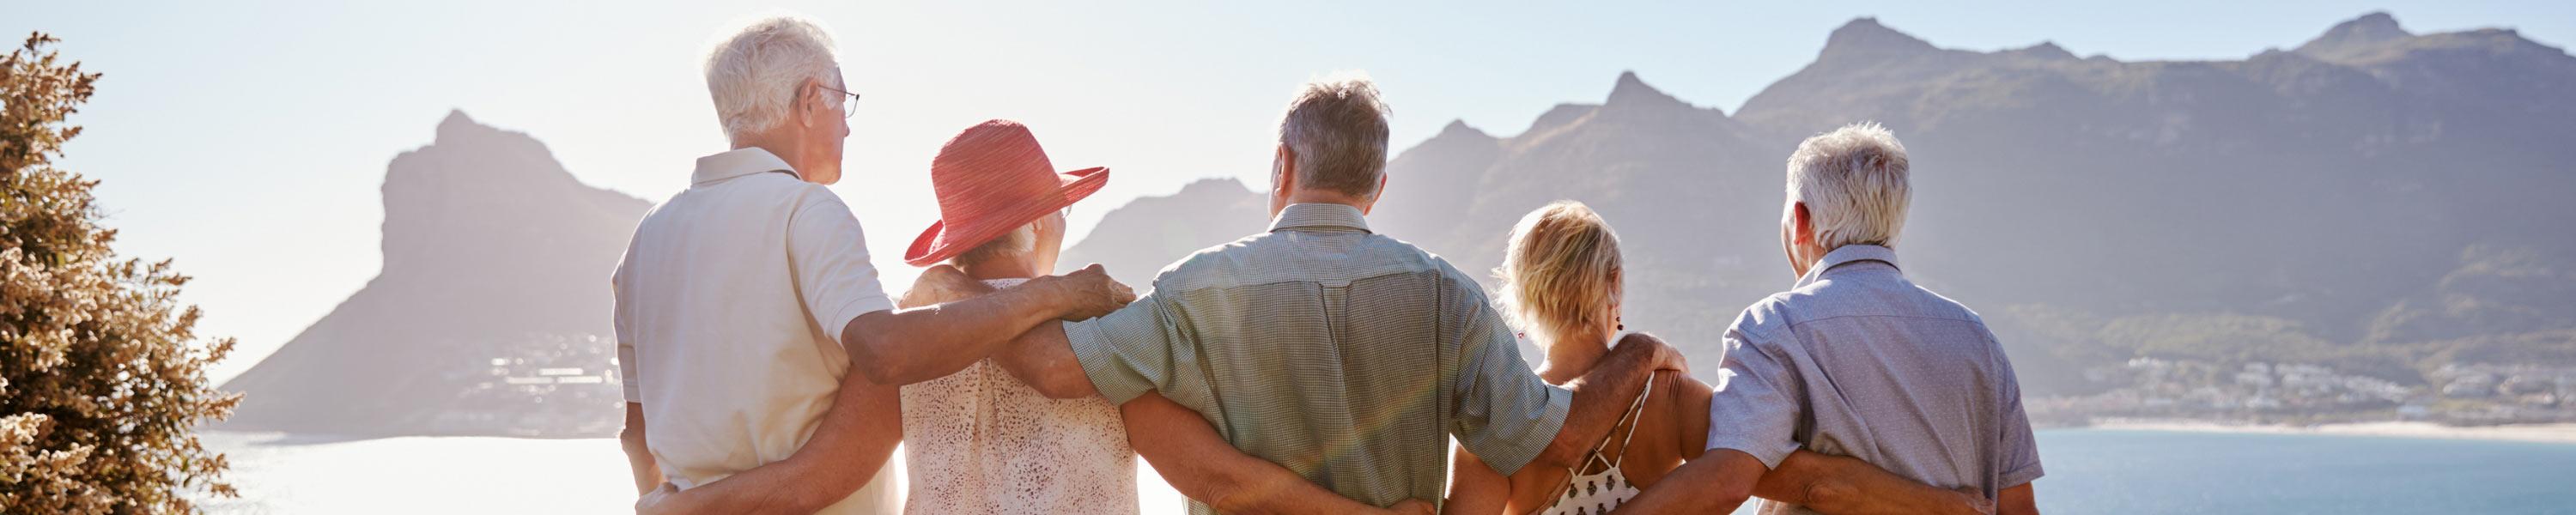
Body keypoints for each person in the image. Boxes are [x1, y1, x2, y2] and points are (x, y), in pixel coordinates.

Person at [923, 73, 1935, 515]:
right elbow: (1547, 440)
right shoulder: (1448, 300)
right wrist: (1641, 353)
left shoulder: (1198, 293)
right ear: (1380, 181)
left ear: (1281, 167)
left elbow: (1054, 368)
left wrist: (978, 281)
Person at [641, 120, 1420, 515]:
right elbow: (1215, 475)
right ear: (1049, 223)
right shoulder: (1108, 336)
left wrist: (678, 505)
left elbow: (815, 479)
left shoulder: (916, 332)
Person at [611, 16, 1132, 514]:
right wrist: (1060, 293)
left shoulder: (646, 236)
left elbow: (637, 437)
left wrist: (674, 505)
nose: (848, 126)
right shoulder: (805, 209)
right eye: (843, 101)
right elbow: (883, 352)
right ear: (810, 101)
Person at [1440, 201, 1991, 515]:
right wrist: (1944, 504)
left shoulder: (1495, 423)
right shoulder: (1670, 398)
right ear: (1614, 285)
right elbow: (1808, 482)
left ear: (1520, 292)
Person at [1620, 123, 2044, 514]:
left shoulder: (1774, 327)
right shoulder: (1975, 336)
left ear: (1800, 220)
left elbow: (1729, 479)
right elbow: (2018, 508)